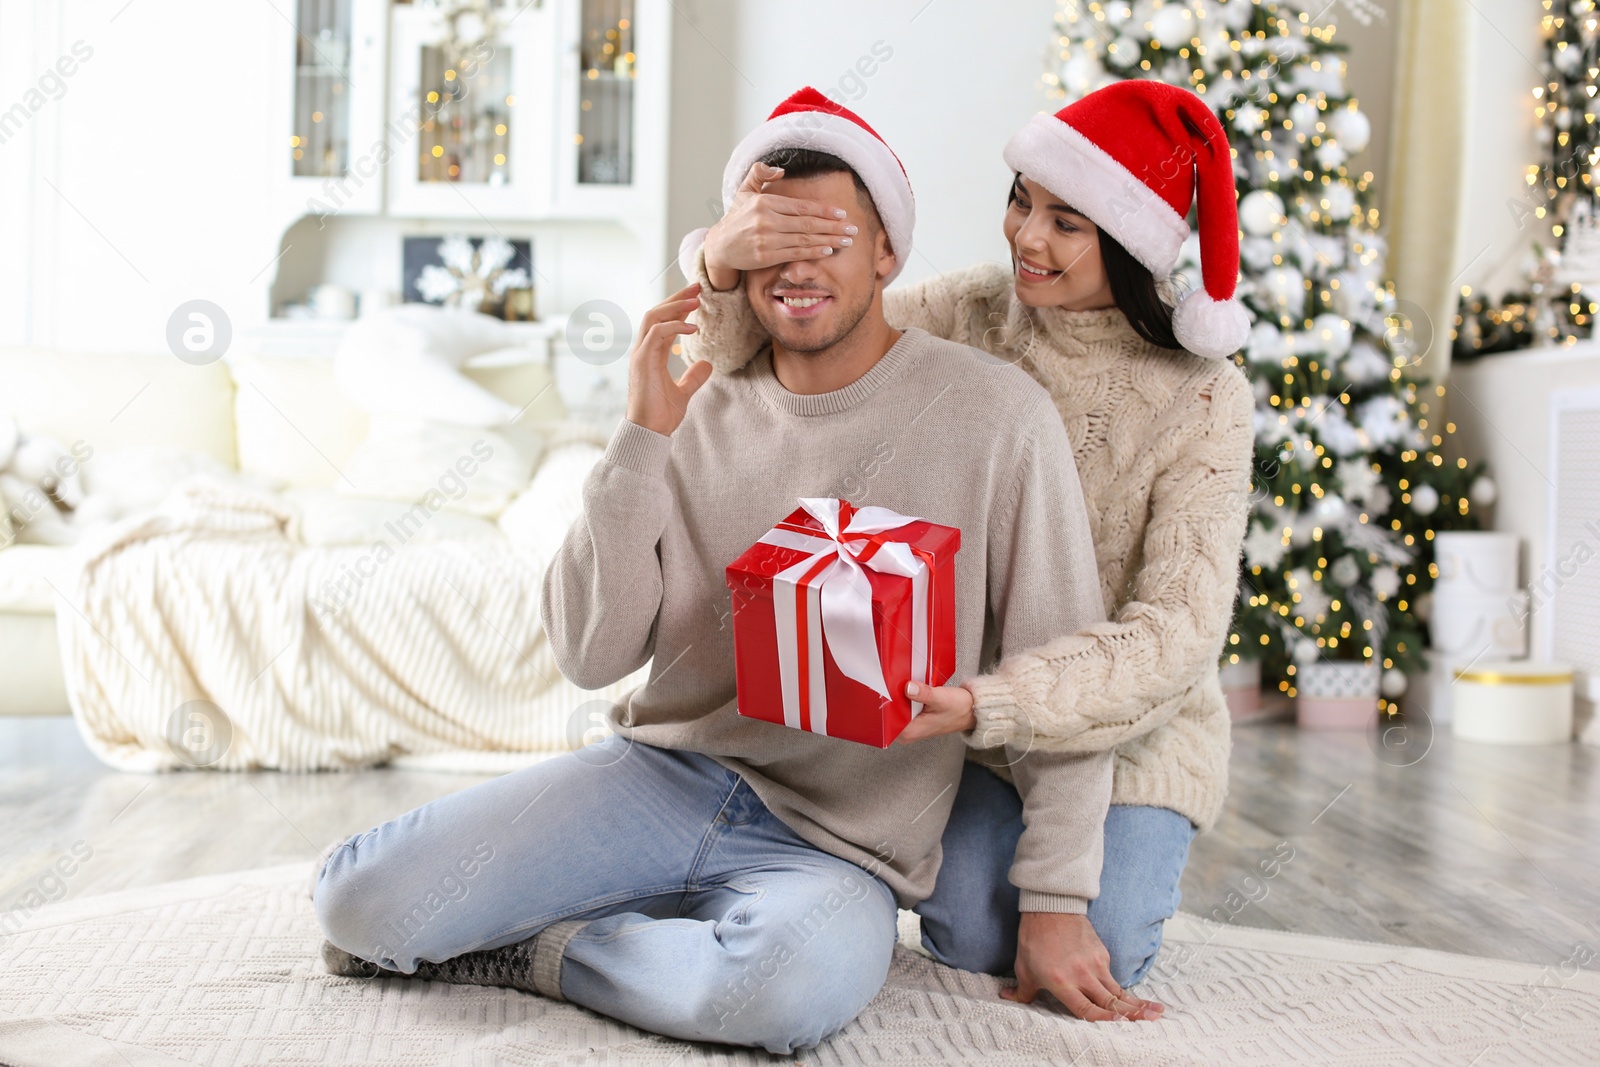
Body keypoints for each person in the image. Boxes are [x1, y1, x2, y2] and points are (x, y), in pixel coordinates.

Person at [311, 87, 1135, 1055]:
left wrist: (1056, 898)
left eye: (825, 239)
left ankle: (554, 952)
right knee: (358, 906)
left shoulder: (997, 416)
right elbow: (588, 650)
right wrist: (640, 437)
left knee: (777, 995)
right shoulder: (695, 399)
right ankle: (646, 934)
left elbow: (1065, 673)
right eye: (764, 243)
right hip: (657, 777)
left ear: (886, 253)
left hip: (837, 849)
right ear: (726, 257)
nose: (794, 271)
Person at [678, 78, 1256, 1008]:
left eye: (1068, 222)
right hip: (955, 730)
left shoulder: (1204, 396)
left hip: (1122, 725)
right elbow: (766, 349)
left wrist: (1000, 698)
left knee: (1097, 941)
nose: (1028, 237)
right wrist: (718, 260)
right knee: (975, 932)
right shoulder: (968, 314)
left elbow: (1178, 632)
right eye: (1021, 201)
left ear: (1130, 239)